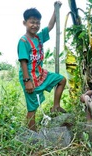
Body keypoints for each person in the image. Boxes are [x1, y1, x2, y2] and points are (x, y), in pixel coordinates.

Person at [17, 1, 66, 132]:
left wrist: (56, 9)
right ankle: (33, 134)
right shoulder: (23, 41)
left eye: (37, 22)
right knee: (32, 108)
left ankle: (56, 106)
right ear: (25, 23)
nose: (35, 25)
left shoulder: (39, 37)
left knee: (61, 80)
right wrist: (27, 81)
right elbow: (23, 62)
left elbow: (50, 25)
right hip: (29, 77)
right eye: (32, 22)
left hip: (40, 74)